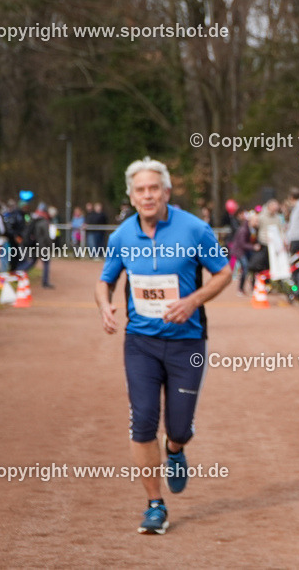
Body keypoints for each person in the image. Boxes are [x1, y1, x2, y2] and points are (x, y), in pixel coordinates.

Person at [95, 157, 232, 534]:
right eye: (140, 190)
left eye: (154, 188)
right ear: (131, 196)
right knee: (142, 422)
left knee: (179, 427)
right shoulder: (121, 236)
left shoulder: (195, 229)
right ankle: (155, 504)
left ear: (166, 192)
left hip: (187, 343)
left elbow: (224, 272)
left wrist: (192, 301)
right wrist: (104, 305)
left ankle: (176, 449)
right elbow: (105, 280)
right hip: (141, 343)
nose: (148, 195)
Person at [18, 203, 54, 288]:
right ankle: (45, 282)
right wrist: (51, 246)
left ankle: (18, 273)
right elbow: (46, 236)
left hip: (34, 246)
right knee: (45, 263)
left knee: (31, 262)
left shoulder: (34, 219)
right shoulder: (44, 222)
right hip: (42, 246)